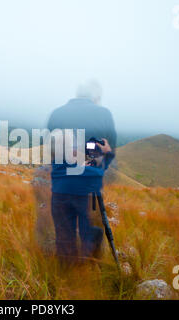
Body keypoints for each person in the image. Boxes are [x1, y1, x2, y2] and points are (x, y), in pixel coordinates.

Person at [46, 80, 117, 264]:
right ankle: (89, 275)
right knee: (91, 235)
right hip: (89, 188)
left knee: (64, 237)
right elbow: (109, 150)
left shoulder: (57, 114)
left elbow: (51, 148)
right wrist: (103, 158)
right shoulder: (103, 114)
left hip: (61, 186)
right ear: (96, 97)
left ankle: (65, 278)